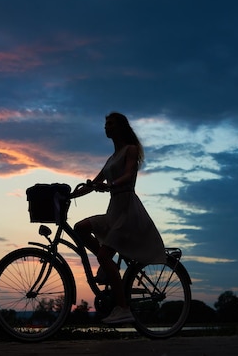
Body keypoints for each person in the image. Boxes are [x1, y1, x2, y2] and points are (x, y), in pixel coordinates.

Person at [70, 112, 166, 324]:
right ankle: (108, 266)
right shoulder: (111, 158)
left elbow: (129, 174)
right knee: (80, 228)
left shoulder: (130, 150)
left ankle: (124, 309)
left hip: (127, 211)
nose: (106, 127)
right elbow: (93, 184)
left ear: (121, 127)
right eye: (105, 124)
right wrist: (69, 195)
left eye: (110, 124)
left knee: (104, 255)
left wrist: (111, 185)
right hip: (114, 210)